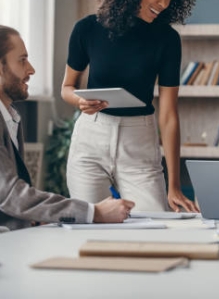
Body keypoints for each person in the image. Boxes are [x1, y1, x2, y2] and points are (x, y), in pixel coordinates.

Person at [61, 0, 200, 212]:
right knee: (92, 225)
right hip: (91, 138)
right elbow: (67, 87)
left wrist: (174, 185)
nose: (162, 3)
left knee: (154, 225)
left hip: (139, 142)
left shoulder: (167, 39)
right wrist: (79, 102)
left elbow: (169, 114)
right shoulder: (87, 29)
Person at [0, 25, 135, 231]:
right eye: (22, 60)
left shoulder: (9, 118)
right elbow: (10, 195)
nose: (31, 70)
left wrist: (37, 217)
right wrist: (94, 213)